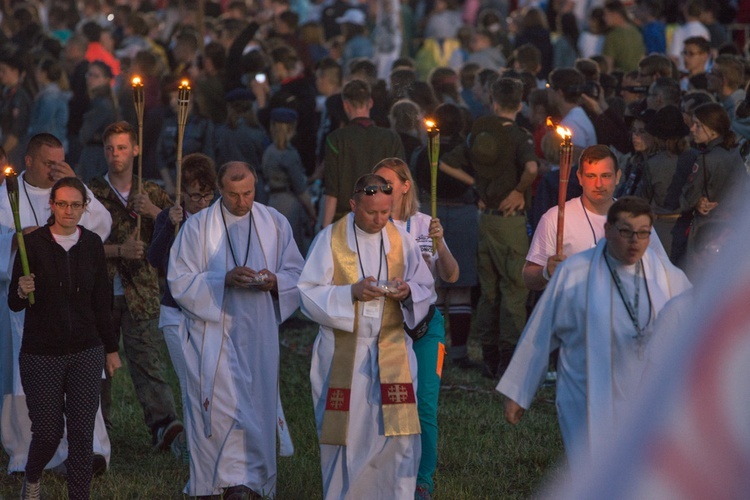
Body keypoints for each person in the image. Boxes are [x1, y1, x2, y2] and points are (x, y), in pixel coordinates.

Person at [498, 196, 691, 473]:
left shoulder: (665, 274)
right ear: (608, 230)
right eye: (626, 232)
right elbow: (541, 331)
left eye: (643, 233)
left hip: (641, 392)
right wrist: (519, 391)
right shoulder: (575, 272)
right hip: (586, 392)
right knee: (592, 472)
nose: (635, 241)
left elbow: (692, 314)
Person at [168, 161, 304, 498]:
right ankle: (217, 482)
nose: (241, 201)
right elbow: (179, 281)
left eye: (248, 193)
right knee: (219, 405)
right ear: (219, 189)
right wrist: (223, 280)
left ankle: (253, 482)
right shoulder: (198, 227)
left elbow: (297, 274)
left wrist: (275, 282)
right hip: (214, 333)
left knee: (258, 403)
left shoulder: (274, 222)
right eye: (233, 194)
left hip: (259, 331)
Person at [298, 173, 435, 499]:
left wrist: (406, 292)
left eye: (386, 212)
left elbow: (425, 287)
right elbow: (307, 293)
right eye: (372, 212)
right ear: (353, 204)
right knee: (347, 436)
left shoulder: (401, 239)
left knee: (398, 437)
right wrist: (351, 294)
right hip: (346, 350)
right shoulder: (330, 239)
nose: (379, 220)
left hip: (393, 349)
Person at [0, 133, 113, 476]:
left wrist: (73, 179)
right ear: (29, 162)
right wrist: (19, 240)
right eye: (50, 164)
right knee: (25, 383)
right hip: (23, 308)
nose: (55, 170)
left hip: (72, 310)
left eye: (60, 162)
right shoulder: (7, 197)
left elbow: (100, 225)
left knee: (79, 381)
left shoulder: (69, 193)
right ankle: (26, 456)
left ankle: (85, 451)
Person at [88, 121, 183, 448]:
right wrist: (119, 251)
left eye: (123, 147)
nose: (116, 154)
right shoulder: (91, 193)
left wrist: (154, 211)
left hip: (141, 292)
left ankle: (164, 426)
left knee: (148, 362)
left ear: (136, 149)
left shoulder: (151, 191)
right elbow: (78, 246)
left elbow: (179, 233)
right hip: (99, 294)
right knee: (97, 366)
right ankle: (98, 433)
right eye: (111, 148)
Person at [439, 77, 538, 379]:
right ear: (520, 104)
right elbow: (532, 168)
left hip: (486, 220)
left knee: (489, 291)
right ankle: (509, 360)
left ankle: (489, 357)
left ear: (493, 102)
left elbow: (444, 163)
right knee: (514, 290)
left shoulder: (479, 134)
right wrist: (520, 190)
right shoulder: (520, 136)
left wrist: (478, 186)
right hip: (511, 222)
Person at [373, 158, 459, 499]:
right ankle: (387, 472)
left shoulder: (424, 224)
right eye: (375, 182)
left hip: (426, 327)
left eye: (387, 182)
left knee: (424, 404)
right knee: (387, 403)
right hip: (389, 325)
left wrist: (440, 243)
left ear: (405, 185)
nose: (379, 187)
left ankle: (423, 481)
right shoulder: (372, 225)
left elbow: (451, 275)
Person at [146, 153, 217, 461]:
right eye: (195, 195)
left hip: (210, 313)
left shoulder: (219, 221)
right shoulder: (170, 217)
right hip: (175, 313)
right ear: (183, 194)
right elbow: (154, 259)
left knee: (211, 381)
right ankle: (193, 448)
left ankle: (210, 443)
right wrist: (168, 225)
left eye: (207, 194)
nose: (202, 202)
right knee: (190, 380)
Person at [523, 145, 620, 291]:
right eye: (591, 176)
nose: (598, 184)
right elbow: (528, 277)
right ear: (580, 178)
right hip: (572, 310)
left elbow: (659, 268)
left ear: (617, 177)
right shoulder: (555, 217)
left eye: (605, 176)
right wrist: (546, 272)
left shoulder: (633, 217)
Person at [321, 79, 405, 227]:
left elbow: (331, 191)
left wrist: (325, 229)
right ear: (370, 103)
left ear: (346, 105)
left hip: (346, 220)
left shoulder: (335, 139)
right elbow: (399, 184)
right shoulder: (391, 138)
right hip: (383, 220)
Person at [77, 60, 118, 183]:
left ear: (106, 79)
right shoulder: (97, 101)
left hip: (96, 157)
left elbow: (85, 134)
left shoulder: (101, 104)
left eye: (95, 76)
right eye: (89, 75)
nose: (90, 79)